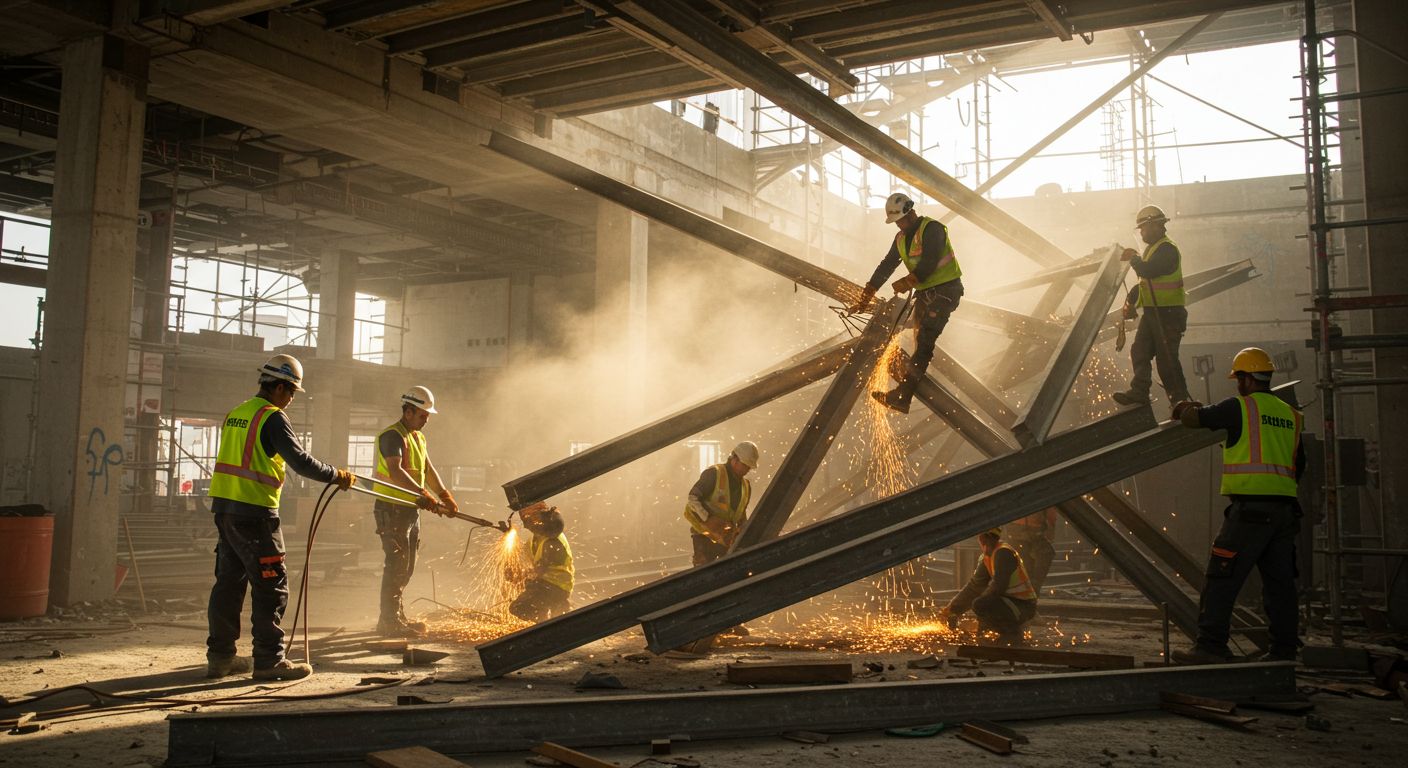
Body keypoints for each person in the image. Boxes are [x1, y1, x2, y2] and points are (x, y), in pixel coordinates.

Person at [206, 354, 354, 680]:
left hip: (225, 511)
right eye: (290, 393)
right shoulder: (272, 417)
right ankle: (269, 660)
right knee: (272, 587)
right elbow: (299, 461)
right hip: (255, 514)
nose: (290, 400)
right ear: (281, 387)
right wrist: (335, 475)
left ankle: (220, 658)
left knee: (228, 585)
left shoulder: (238, 413)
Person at [1169, 347, 1305, 664]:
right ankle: (1283, 652)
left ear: (1245, 379)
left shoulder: (1240, 408)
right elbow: (1300, 466)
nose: (1237, 384)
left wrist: (1181, 409)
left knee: (1221, 577)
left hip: (1250, 511)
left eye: (1238, 378)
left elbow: (1196, 418)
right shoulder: (1292, 416)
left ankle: (1211, 646)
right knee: (1280, 586)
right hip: (1285, 514)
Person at [848, 192, 963, 413]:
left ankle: (903, 395)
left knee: (925, 341)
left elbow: (929, 262)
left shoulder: (933, 229)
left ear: (911, 212)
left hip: (946, 292)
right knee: (918, 338)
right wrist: (867, 295)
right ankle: (905, 388)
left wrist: (908, 281)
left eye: (901, 219)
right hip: (926, 294)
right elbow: (887, 264)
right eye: (896, 222)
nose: (899, 224)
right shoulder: (900, 238)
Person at [372, 385, 456, 637]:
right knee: (396, 564)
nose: (426, 419)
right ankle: (388, 621)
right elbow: (396, 471)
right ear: (408, 412)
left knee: (406, 567)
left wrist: (444, 495)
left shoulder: (418, 437)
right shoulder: (392, 436)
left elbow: (428, 470)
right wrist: (424, 495)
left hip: (410, 509)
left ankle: (395, 616)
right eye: (422, 415)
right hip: (392, 508)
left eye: (427, 415)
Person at [1113, 205, 1192, 411]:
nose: (1141, 232)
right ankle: (1140, 391)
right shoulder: (1152, 250)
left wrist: (1133, 258)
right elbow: (1146, 284)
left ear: (1155, 225)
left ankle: (1181, 401)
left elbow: (1149, 271)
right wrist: (1131, 300)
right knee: (1139, 350)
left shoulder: (1167, 249)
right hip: (1153, 313)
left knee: (1166, 360)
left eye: (1143, 228)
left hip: (1168, 314)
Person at [941, 527, 1038, 646]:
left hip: (1022, 606)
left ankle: (1013, 634)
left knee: (981, 603)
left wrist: (979, 604)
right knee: (981, 604)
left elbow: (998, 587)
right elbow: (974, 587)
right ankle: (987, 635)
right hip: (1010, 604)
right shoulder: (987, 557)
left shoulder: (1004, 553)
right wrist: (953, 610)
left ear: (982, 538)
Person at [684, 441, 759, 566]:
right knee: (704, 574)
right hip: (704, 537)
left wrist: (742, 531)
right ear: (734, 459)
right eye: (745, 465)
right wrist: (708, 518)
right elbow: (693, 498)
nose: (747, 470)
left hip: (725, 540)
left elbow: (741, 516)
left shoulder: (746, 486)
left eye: (749, 467)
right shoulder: (714, 474)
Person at [508, 502, 574, 622]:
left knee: (519, 607)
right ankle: (547, 615)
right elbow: (526, 553)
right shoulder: (538, 537)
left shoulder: (553, 543)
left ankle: (543, 624)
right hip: (545, 584)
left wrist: (519, 576)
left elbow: (539, 570)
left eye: (528, 519)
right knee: (532, 596)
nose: (526, 524)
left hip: (555, 587)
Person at [1005, 509, 1057, 591]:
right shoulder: (1040, 497)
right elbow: (1051, 514)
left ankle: (1027, 588)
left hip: (1014, 531)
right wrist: (1051, 529)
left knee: (1026, 562)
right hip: (1032, 530)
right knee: (1046, 553)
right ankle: (1033, 586)